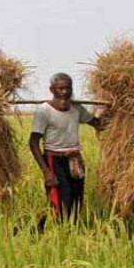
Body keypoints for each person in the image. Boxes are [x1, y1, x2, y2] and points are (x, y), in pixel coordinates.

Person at [29, 73, 105, 223]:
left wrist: (112, 108)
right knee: (61, 201)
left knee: (76, 201)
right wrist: (47, 172)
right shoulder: (44, 111)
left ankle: (71, 231)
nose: (65, 92)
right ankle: (39, 229)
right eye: (61, 88)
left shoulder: (76, 109)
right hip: (54, 159)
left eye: (68, 88)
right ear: (52, 90)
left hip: (75, 160)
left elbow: (98, 124)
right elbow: (33, 142)